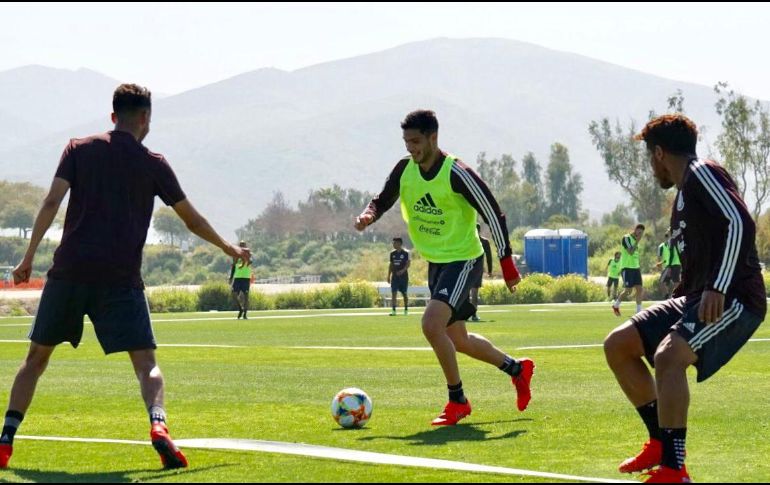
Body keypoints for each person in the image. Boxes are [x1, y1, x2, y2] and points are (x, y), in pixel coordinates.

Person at [0, 84, 251, 470]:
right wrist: (228, 248)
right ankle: (159, 425)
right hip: (120, 279)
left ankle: (5, 440)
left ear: (113, 116)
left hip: (70, 272)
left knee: (35, 358)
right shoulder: (154, 163)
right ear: (146, 118)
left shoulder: (78, 149)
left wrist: (28, 256)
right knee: (146, 363)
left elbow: (52, 201)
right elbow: (192, 220)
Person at [603, 114, 765, 483]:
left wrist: (718, 286)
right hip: (699, 295)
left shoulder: (701, 172)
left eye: (649, 158)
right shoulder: (682, 195)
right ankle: (660, 443)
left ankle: (675, 470)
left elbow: (740, 223)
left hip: (736, 297)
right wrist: (683, 294)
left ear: (659, 153)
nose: (650, 167)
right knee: (619, 344)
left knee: (668, 357)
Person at [354, 109, 534, 426]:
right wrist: (369, 215)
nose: (410, 148)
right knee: (459, 339)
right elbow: (382, 198)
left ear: (433, 138)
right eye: (406, 141)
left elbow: (494, 213)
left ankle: (458, 400)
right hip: (437, 262)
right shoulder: (404, 169)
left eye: (416, 141)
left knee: (431, 325)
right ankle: (517, 369)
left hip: (463, 258)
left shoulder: (457, 173)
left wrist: (507, 263)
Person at [612, 224, 646, 316]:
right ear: (635, 230)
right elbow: (630, 252)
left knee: (639, 289)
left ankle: (638, 312)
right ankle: (616, 305)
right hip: (627, 268)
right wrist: (637, 241)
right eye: (638, 232)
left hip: (636, 268)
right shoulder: (626, 238)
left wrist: (638, 266)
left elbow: (635, 256)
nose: (639, 234)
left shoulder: (636, 241)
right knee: (628, 291)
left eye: (641, 233)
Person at [469, 223, 493, 322]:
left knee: (468, 293)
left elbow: (489, 257)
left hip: (470, 270)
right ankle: (472, 314)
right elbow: (489, 257)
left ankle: (470, 314)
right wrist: (490, 270)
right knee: (473, 293)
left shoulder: (470, 242)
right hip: (475, 270)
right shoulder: (483, 242)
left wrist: (490, 270)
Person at [229, 241, 253, 319]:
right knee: (233, 294)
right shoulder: (235, 255)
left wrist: (246, 257)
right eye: (241, 245)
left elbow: (250, 261)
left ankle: (245, 314)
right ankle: (240, 309)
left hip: (246, 277)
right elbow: (233, 266)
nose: (242, 247)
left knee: (246, 295)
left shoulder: (248, 254)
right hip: (237, 277)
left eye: (243, 245)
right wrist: (231, 277)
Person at [387, 237, 410, 316]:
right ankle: (394, 311)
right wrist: (388, 275)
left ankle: (406, 309)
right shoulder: (392, 254)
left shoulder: (406, 253)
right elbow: (391, 265)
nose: (393, 244)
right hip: (395, 277)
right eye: (393, 243)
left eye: (394, 243)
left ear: (399, 244)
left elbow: (408, 264)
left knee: (404, 293)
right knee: (394, 293)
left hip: (403, 277)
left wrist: (402, 271)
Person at [657, 229, 681, 299]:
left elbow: (672, 254)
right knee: (675, 282)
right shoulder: (675, 240)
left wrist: (669, 266)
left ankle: (674, 297)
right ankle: (671, 297)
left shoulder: (673, 240)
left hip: (673, 265)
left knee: (675, 282)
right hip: (674, 264)